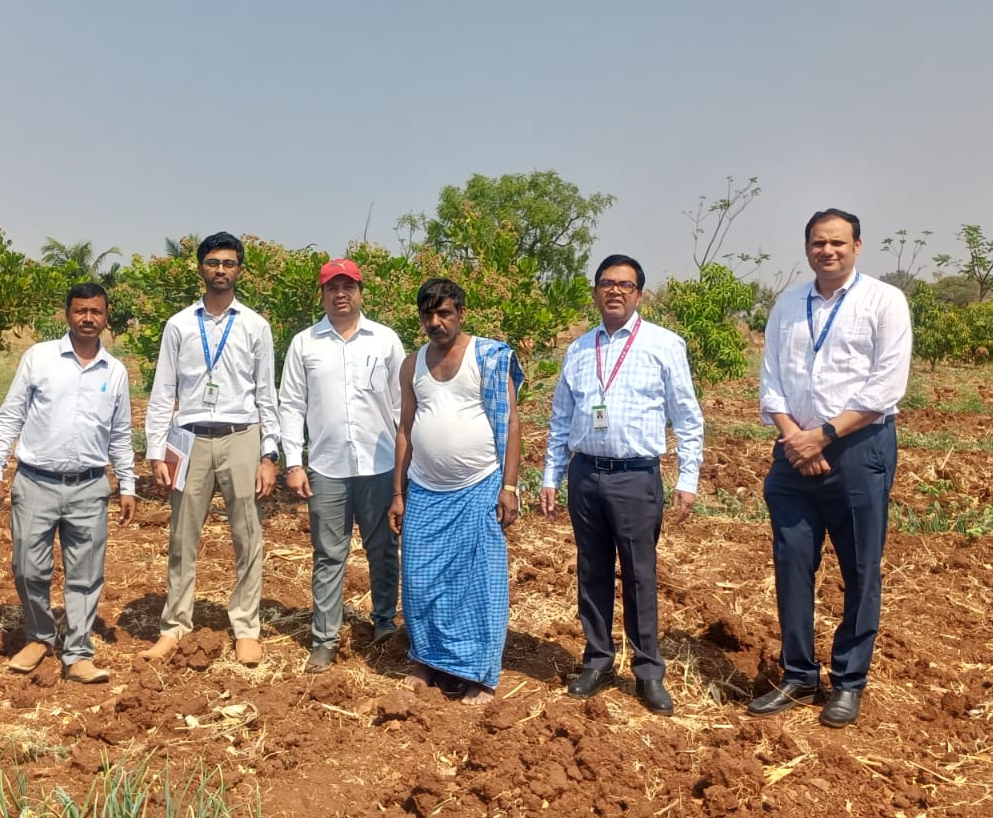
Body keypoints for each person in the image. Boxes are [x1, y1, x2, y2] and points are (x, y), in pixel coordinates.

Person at [750, 209, 912, 727]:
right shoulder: (788, 304)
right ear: (806, 248)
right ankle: (798, 673)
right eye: (819, 242)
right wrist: (795, 438)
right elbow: (772, 380)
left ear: (858, 247)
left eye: (839, 242)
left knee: (860, 569)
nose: (828, 251)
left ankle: (848, 681)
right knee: (792, 564)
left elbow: (885, 387)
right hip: (793, 450)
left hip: (858, 452)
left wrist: (824, 434)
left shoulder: (884, 301)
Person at [540, 254, 705, 715]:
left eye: (625, 285)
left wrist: (687, 479)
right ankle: (597, 660)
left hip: (636, 476)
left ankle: (648, 670)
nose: (615, 291)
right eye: (606, 283)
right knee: (591, 571)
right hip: (586, 474)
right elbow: (559, 420)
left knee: (638, 574)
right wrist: (551, 475)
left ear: (639, 294)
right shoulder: (578, 349)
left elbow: (688, 418)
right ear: (595, 292)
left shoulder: (664, 344)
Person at [0, 282, 136, 684]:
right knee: (29, 568)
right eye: (80, 311)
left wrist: (127, 483)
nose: (87, 318)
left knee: (86, 573)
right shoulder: (39, 358)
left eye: (95, 312)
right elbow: (10, 416)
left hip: (89, 486)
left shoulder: (114, 372)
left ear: (105, 316)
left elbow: (119, 434)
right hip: (35, 482)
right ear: (67, 314)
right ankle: (39, 636)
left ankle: (78, 652)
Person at [142, 232, 282, 667]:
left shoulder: (255, 326)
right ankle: (175, 626)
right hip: (190, 438)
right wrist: (155, 447)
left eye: (229, 263)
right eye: (213, 262)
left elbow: (266, 393)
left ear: (240, 269)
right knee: (183, 536)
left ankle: (245, 627)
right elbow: (164, 390)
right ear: (200, 267)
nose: (221, 269)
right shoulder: (180, 324)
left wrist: (269, 453)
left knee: (247, 535)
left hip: (242, 435)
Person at [389, 278, 523, 704]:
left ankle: (479, 675)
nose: (435, 322)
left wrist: (509, 485)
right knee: (421, 579)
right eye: (427, 314)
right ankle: (426, 660)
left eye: (444, 313)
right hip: (426, 491)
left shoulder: (487, 356)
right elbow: (405, 429)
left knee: (480, 582)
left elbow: (512, 423)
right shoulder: (413, 364)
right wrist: (398, 492)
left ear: (461, 314)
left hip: (480, 486)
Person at [278, 259, 406, 672]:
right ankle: (325, 638)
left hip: (380, 463)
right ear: (322, 294)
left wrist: (407, 466)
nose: (340, 295)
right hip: (327, 466)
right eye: (332, 288)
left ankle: (384, 623)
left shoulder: (385, 341)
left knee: (383, 549)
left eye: (347, 286)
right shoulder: (305, 343)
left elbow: (403, 406)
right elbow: (291, 405)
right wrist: (293, 463)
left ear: (360, 290)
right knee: (328, 555)